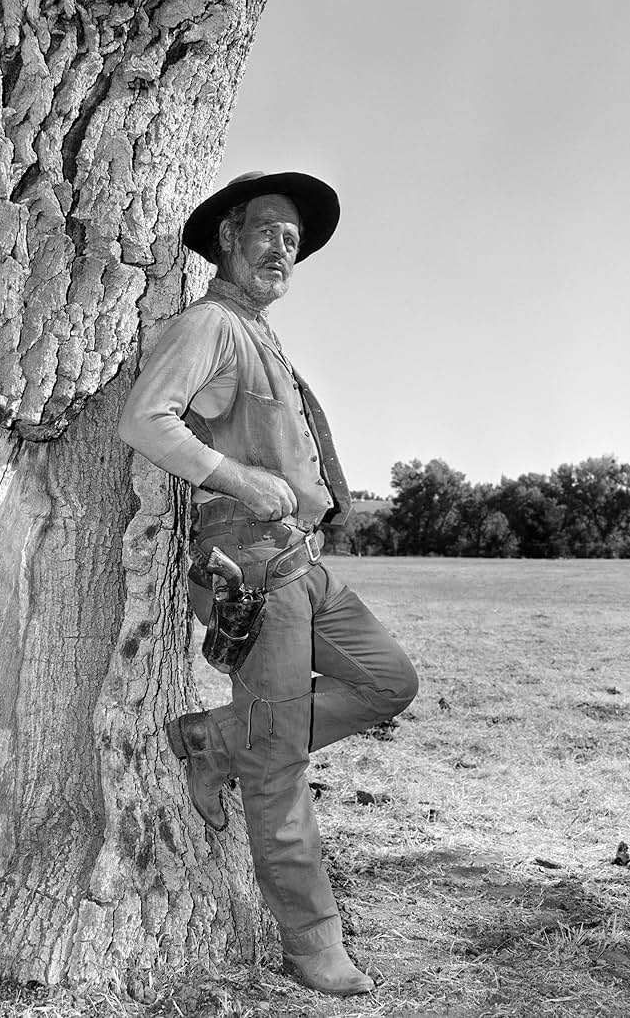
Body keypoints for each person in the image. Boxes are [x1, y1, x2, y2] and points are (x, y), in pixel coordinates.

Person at [118, 171, 418, 997]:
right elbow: (144, 418)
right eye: (268, 231)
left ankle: (216, 740)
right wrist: (242, 482)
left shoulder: (259, 332)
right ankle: (313, 943)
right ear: (227, 238)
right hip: (253, 562)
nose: (283, 248)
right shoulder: (212, 324)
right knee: (279, 762)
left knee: (391, 679)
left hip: (303, 563)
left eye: (293, 239)